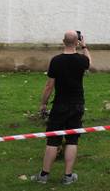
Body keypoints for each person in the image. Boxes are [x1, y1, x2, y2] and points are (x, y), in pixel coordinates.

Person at [31, 30, 92, 185]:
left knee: (53, 140)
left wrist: (43, 103)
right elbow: (89, 62)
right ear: (77, 42)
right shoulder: (81, 60)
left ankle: (44, 176)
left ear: (63, 42)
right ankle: (68, 176)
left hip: (60, 105)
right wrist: (84, 46)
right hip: (78, 104)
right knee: (72, 140)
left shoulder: (56, 61)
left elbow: (49, 86)